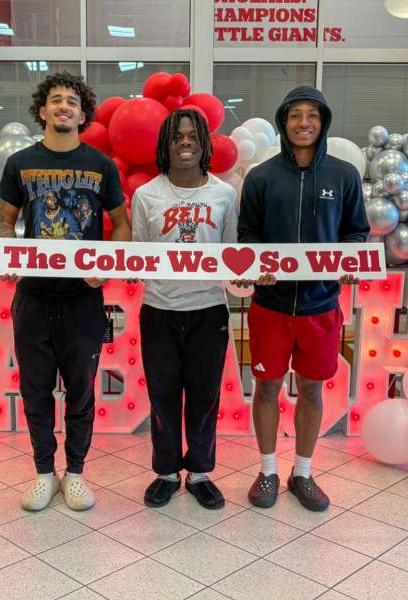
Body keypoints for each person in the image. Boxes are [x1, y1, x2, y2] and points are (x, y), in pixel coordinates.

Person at [0, 72, 131, 512]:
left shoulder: (101, 166)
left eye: (72, 101)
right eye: (56, 100)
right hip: (33, 296)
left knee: (80, 391)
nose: (64, 107)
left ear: (83, 113)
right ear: (42, 110)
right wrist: (7, 252)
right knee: (35, 391)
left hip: (82, 299)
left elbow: (122, 225)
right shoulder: (21, 164)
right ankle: (42, 473)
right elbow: (4, 222)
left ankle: (75, 474)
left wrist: (106, 266)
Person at [238, 85, 369, 512]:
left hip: (321, 306)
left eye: (312, 115)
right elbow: (248, 237)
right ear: (283, 122)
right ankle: (268, 470)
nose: (304, 122)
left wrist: (352, 259)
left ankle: (304, 473)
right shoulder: (260, 177)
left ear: (323, 122)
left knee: (311, 388)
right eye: (295, 115)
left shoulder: (344, 176)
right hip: (271, 305)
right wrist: (257, 263)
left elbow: (356, 233)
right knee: (267, 387)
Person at [132, 109, 237, 510]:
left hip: (209, 310)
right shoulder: (146, 196)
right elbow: (139, 256)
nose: (185, 142)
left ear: (205, 143)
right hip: (159, 309)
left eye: (193, 136)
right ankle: (166, 472)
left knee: (204, 396)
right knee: (163, 396)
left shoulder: (225, 195)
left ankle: (199, 472)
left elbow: (232, 255)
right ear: (165, 144)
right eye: (177, 136)